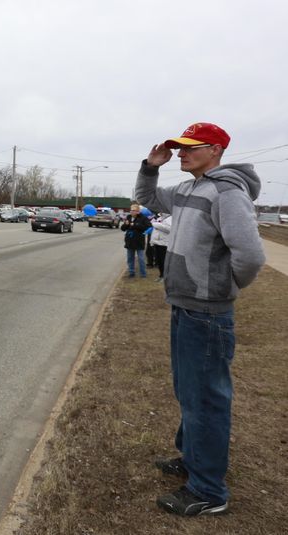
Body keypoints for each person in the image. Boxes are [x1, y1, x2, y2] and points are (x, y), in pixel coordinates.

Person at [136, 122, 266, 516]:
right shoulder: (188, 189)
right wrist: (150, 166)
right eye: (179, 148)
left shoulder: (226, 191)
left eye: (190, 148)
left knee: (206, 400)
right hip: (184, 304)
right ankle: (193, 459)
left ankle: (209, 491)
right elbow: (146, 199)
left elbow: (251, 255)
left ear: (215, 150)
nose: (181, 153)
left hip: (206, 311)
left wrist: (221, 288)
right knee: (188, 392)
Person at [120, 203, 151, 277]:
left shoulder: (143, 218)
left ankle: (143, 274)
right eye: (131, 210)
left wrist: (135, 225)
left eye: (134, 210)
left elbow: (148, 227)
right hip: (130, 241)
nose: (132, 212)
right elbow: (123, 228)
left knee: (141, 259)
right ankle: (131, 273)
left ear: (138, 211)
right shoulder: (128, 217)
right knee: (130, 258)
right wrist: (126, 224)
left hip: (139, 241)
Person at [150, 213, 172, 282]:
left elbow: (169, 229)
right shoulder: (159, 218)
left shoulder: (170, 218)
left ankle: (165, 277)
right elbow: (155, 230)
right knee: (159, 261)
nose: (161, 211)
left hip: (164, 243)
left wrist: (156, 224)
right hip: (157, 242)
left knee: (163, 261)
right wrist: (152, 241)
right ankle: (161, 275)